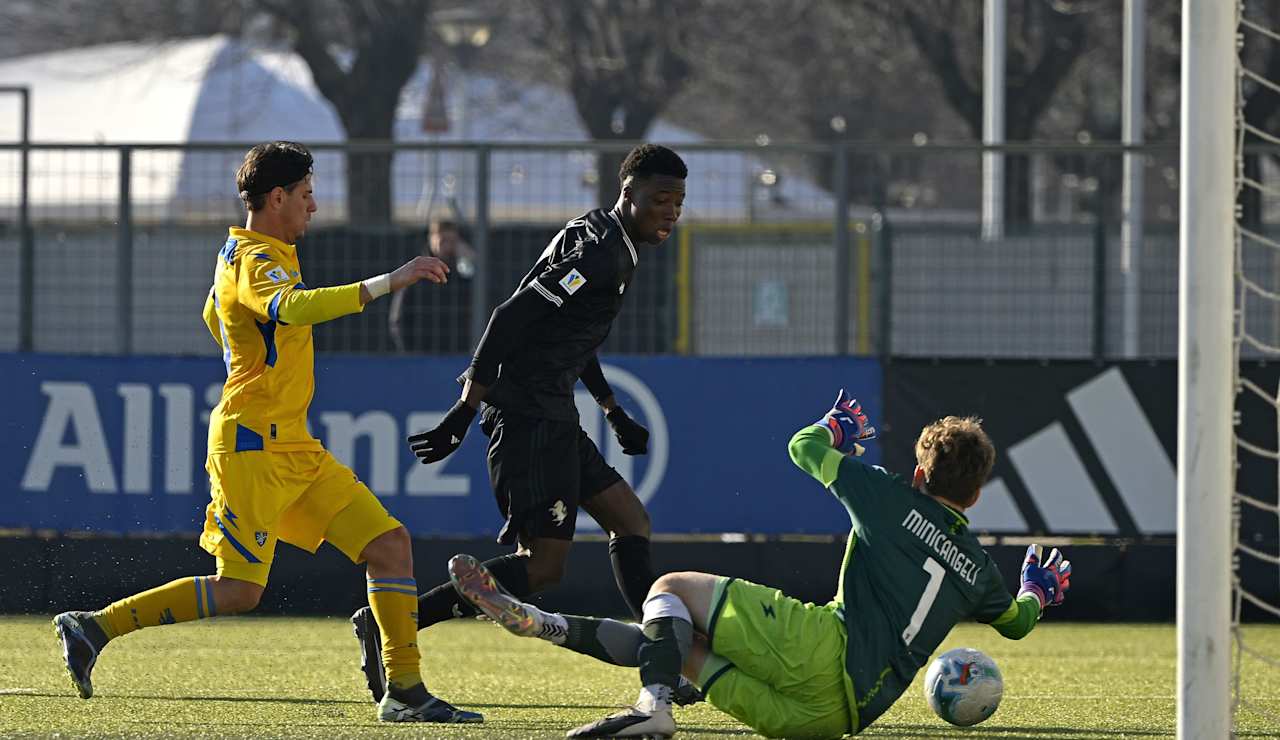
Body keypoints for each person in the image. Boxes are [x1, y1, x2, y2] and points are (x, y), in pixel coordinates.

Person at [51, 141, 480, 725]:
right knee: (240, 590)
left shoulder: (247, 251)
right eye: (306, 195)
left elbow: (214, 312)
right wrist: (390, 281)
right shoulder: (257, 260)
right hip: (252, 444)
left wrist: (244, 352)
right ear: (276, 197)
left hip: (292, 444)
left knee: (388, 545)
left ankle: (405, 688)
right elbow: (291, 308)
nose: (315, 206)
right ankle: (95, 626)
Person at [447, 392, 1073, 738]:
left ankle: (652, 706)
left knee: (669, 589)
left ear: (920, 474)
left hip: (821, 649)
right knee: (677, 644)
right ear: (976, 495)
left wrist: (836, 427)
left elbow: (803, 448)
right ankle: (541, 622)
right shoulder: (977, 567)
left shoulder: (888, 496)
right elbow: (1017, 622)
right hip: (833, 721)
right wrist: (1036, 589)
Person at [350, 143, 690, 704]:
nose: (671, 212)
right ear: (629, 195)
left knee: (631, 521)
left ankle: (660, 660)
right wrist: (464, 409)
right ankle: (394, 621)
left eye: (678, 202)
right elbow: (510, 316)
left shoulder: (608, 237)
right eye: (660, 200)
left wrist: (611, 408)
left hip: (555, 409)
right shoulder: (602, 253)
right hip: (527, 415)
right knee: (545, 567)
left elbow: (572, 334)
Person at [388, 218, 475, 354]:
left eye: (453, 242)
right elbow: (398, 319)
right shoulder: (415, 273)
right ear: (431, 239)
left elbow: (488, 296)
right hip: (423, 356)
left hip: (458, 354)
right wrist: (410, 355)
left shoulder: (464, 275)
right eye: (443, 241)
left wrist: (472, 261)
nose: (448, 247)